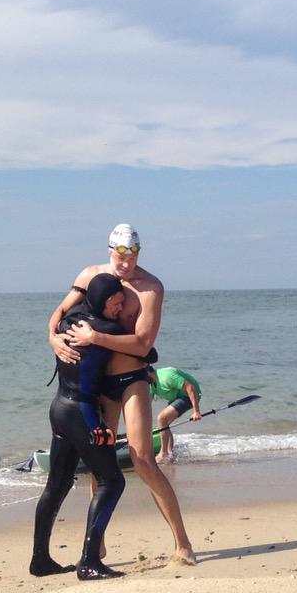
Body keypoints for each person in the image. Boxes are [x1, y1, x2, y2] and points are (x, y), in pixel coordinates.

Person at [48, 223, 197, 565]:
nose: (125, 264)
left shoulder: (151, 288)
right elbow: (57, 314)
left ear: (139, 255)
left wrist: (95, 339)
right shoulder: (90, 276)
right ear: (109, 250)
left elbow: (144, 342)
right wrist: (53, 339)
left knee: (143, 459)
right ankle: (95, 548)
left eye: (132, 257)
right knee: (100, 466)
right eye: (119, 256)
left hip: (131, 378)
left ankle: (182, 543)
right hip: (98, 383)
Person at [32, 274, 129, 581]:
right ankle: (89, 561)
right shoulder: (107, 329)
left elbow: (59, 315)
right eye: (116, 303)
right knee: (112, 482)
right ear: (102, 301)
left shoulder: (67, 323)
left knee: (57, 485)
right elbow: (145, 351)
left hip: (59, 407)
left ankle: (40, 560)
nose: (120, 308)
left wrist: (52, 334)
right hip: (82, 412)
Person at [148, 367, 202, 463]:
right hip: (178, 397)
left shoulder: (166, 376)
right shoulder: (151, 384)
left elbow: (190, 387)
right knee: (163, 422)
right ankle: (170, 454)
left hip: (190, 395)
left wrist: (196, 411)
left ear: (148, 372)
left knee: (161, 418)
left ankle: (163, 453)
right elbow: (147, 406)